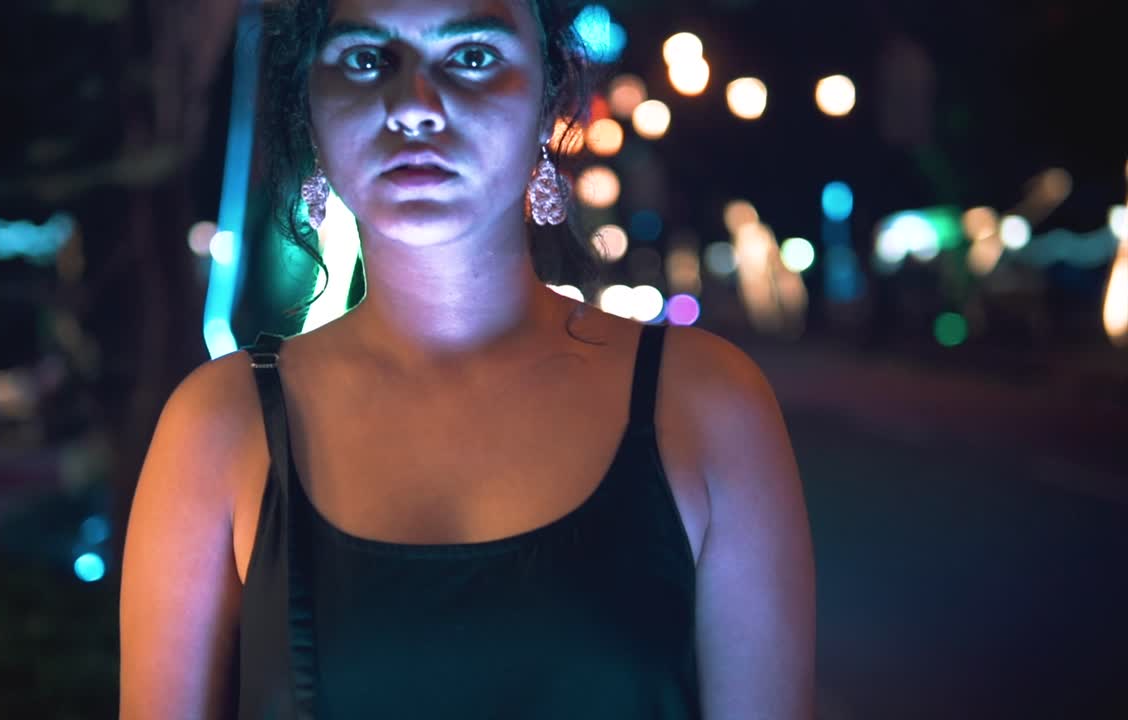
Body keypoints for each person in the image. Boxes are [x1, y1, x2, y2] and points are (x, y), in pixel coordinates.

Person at [119, 0, 815, 717]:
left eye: (473, 56)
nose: (415, 107)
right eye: (366, 59)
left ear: (549, 100)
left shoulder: (706, 405)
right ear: (311, 109)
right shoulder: (218, 428)